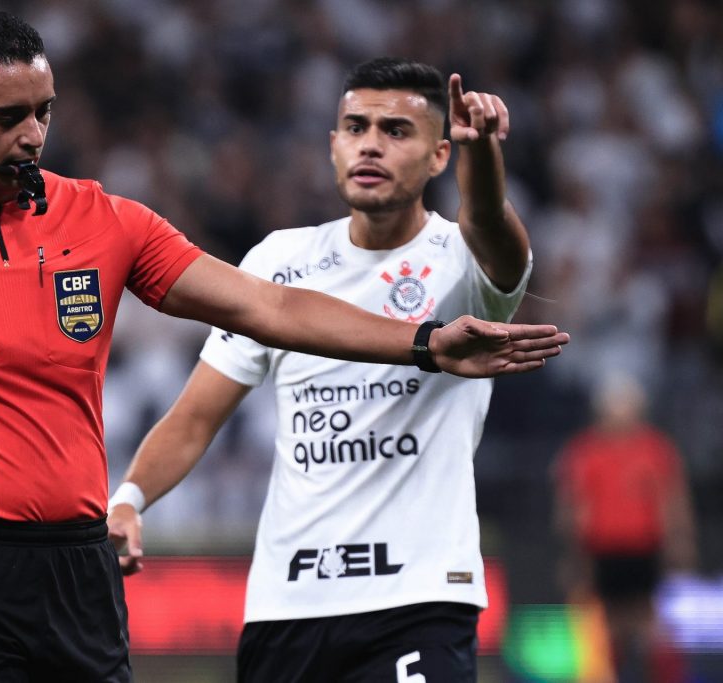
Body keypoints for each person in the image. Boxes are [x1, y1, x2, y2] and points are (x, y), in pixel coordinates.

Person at [0, 11, 566, 682]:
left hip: (78, 568)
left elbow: (267, 304)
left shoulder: (105, 220)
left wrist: (423, 343)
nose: (33, 135)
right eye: (8, 117)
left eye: (45, 112)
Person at [109, 57, 535, 682]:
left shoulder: (460, 263)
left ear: (440, 155)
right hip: (287, 607)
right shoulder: (281, 261)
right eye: (355, 126)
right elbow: (196, 416)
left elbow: (494, 233)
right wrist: (129, 499)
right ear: (333, 145)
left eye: (396, 131)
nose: (370, 143)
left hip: (418, 599)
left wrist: (484, 162)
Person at [552, 372, 695, 682]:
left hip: (643, 549)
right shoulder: (585, 451)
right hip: (602, 551)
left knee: (648, 625)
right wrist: (575, 556)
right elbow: (574, 506)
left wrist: (679, 545)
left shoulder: (655, 449)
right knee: (605, 628)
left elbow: (671, 501)